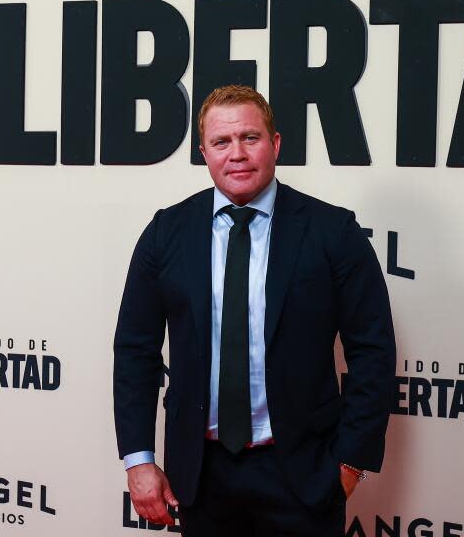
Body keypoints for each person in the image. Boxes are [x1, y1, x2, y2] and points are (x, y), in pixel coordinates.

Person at [113, 85, 396, 536]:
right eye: (222, 142)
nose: (237, 154)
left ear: (276, 144)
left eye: (250, 138)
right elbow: (134, 351)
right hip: (201, 478)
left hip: (304, 475)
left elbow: (373, 352)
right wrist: (139, 459)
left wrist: (349, 466)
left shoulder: (332, 231)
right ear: (203, 152)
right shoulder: (167, 233)